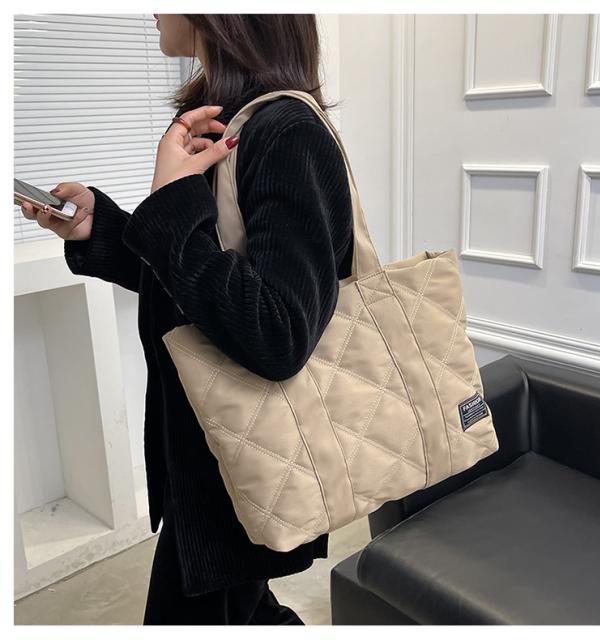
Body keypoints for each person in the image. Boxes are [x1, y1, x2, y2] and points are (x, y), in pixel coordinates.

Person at [20, 14, 354, 625]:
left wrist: (172, 201)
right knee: (248, 614)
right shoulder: (226, 124)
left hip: (246, 465)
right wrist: (104, 228)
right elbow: (199, 286)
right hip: (212, 455)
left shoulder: (286, 134)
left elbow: (279, 333)